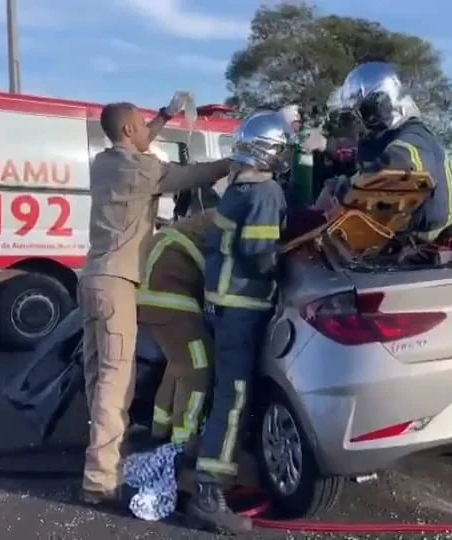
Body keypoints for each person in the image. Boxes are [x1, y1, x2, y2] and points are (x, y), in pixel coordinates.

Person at [78, 95, 231, 506]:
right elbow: (193, 174)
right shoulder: (142, 170)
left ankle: (101, 457)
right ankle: (100, 481)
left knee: (96, 379)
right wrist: (236, 163)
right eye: (142, 125)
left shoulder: (104, 163)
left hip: (89, 278)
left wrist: (166, 115)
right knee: (116, 382)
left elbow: (140, 141)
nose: (148, 131)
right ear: (129, 129)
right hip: (117, 284)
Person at [186, 111, 297, 534]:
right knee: (232, 402)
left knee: (224, 398)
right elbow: (259, 253)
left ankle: (216, 471)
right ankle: (208, 494)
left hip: (220, 307)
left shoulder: (236, 187)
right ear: (270, 151)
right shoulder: (266, 191)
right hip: (242, 309)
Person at [338, 62, 452, 241]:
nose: (361, 121)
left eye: (365, 113)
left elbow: (400, 163)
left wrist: (344, 188)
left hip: (423, 245)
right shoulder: (390, 137)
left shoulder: (415, 136)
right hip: (405, 243)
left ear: (383, 105)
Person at [136, 209, 217, 446]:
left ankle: (160, 428)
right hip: (172, 299)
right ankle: (184, 440)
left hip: (152, 298)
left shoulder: (198, 224)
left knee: (179, 363)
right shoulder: (224, 222)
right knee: (198, 368)